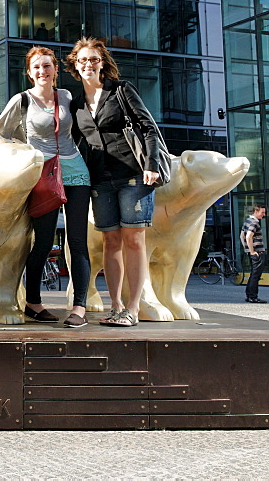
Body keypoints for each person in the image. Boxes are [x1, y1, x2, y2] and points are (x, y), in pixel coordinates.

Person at [0, 46, 92, 328]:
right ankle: (34, 302)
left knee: (78, 243)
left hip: (75, 171)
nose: (42, 71)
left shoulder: (66, 96)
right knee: (44, 242)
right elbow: (0, 132)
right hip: (42, 174)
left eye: (47, 66)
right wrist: (24, 153)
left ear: (55, 70)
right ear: (29, 72)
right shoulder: (22, 100)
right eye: (37, 67)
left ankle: (79, 308)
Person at [67, 37, 162, 327]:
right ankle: (116, 305)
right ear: (75, 65)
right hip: (100, 179)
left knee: (134, 239)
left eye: (93, 59)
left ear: (102, 63)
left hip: (133, 174)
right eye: (82, 60)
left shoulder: (121, 90)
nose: (88, 64)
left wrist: (152, 165)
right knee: (110, 240)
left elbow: (148, 128)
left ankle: (133, 308)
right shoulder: (76, 103)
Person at [240, 204, 268, 304]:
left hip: (253, 251)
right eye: (262, 212)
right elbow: (248, 236)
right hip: (258, 252)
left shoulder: (247, 221)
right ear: (255, 211)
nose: (264, 215)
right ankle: (253, 296)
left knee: (253, 274)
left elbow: (241, 236)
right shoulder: (254, 222)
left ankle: (249, 295)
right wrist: (252, 251)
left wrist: (246, 249)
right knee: (256, 275)